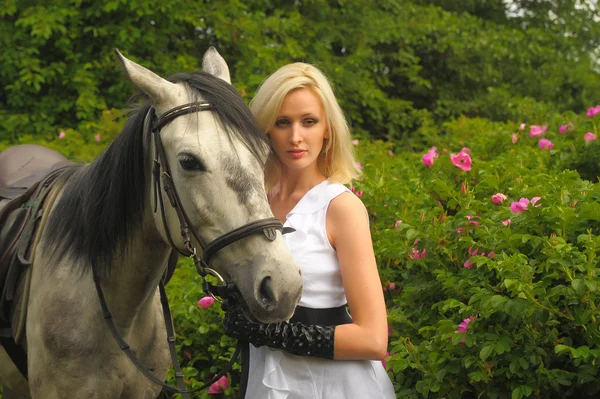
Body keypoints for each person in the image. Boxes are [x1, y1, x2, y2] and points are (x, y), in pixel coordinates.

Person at [223, 62, 395, 399]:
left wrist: (273, 335)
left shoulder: (341, 208)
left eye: (309, 121)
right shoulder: (253, 206)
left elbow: (374, 339)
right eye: (282, 122)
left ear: (328, 129)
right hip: (265, 380)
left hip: (335, 388)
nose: (295, 137)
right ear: (265, 129)